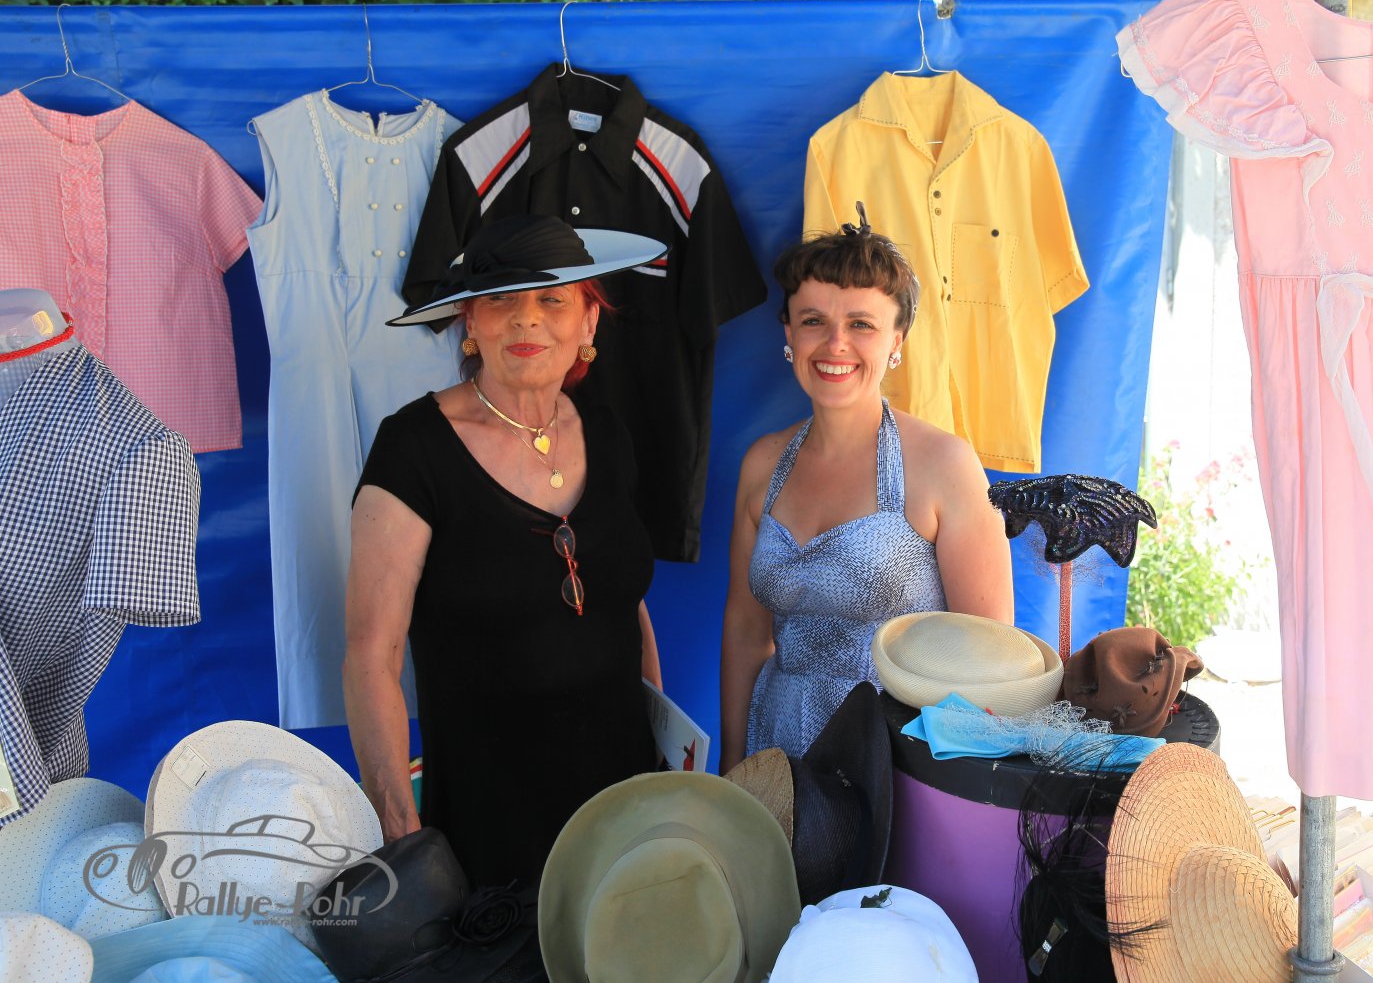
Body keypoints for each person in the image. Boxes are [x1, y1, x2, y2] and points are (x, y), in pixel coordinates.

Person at [344, 214, 667, 888]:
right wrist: (403, 836)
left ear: (588, 324)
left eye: (552, 299)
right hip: (487, 827)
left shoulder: (608, 433)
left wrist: (663, 751)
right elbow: (372, 656)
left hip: (625, 808)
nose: (527, 319)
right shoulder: (414, 449)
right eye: (501, 300)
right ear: (470, 321)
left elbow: (625, 604)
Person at [721, 204, 1013, 772]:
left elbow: (989, 660)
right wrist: (733, 769)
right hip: (774, 757)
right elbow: (745, 632)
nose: (835, 344)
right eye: (813, 321)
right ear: (789, 333)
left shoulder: (945, 465)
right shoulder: (762, 464)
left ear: (896, 340)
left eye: (861, 324)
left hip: (895, 770)